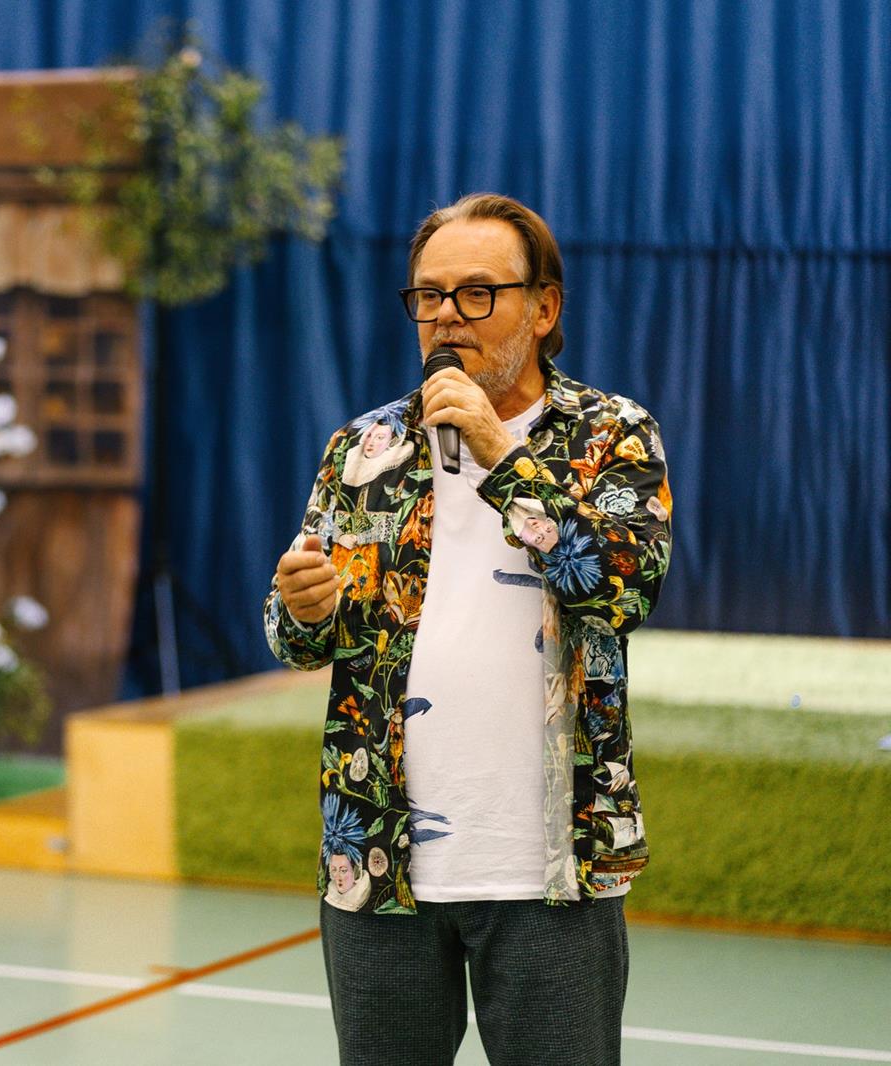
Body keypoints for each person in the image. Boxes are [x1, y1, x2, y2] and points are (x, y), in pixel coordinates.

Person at [263, 192, 672, 1066]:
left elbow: (623, 589)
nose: (447, 315)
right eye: (429, 294)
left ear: (544, 307)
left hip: (553, 867)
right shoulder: (362, 450)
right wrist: (300, 609)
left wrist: (499, 453)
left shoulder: (612, 435)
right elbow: (296, 640)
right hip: (377, 859)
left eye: (477, 292)